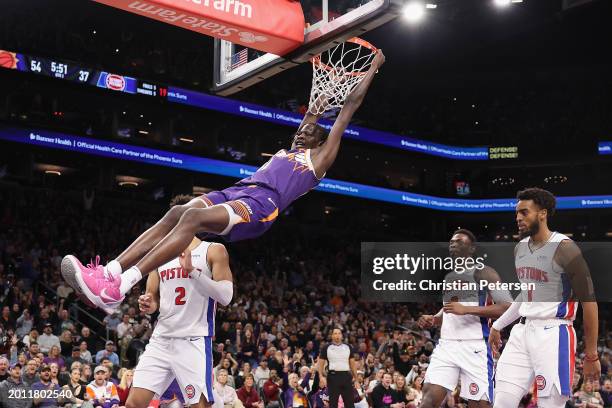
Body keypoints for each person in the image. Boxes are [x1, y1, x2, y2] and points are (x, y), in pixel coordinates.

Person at [60, 50, 386, 312]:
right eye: (301, 128)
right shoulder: (291, 149)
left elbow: (348, 107)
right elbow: (314, 110)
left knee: (190, 217)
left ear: (320, 141)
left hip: (261, 206)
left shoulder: (318, 160)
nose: (303, 130)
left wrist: (372, 66)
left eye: (310, 130)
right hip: (241, 190)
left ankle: (122, 286)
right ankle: (110, 272)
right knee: (178, 212)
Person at [489, 188, 600, 408]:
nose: (518, 218)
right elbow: (527, 294)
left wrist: (592, 354)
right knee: (501, 402)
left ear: (543, 213)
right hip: (522, 332)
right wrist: (498, 326)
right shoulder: (519, 248)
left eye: (524, 212)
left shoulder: (565, 248)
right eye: (516, 213)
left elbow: (589, 301)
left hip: (553, 334)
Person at [126, 197, 234, 408]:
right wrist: (148, 303)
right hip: (161, 339)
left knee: (200, 406)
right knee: (133, 404)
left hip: (192, 340)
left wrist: (193, 272)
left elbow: (226, 296)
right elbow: (153, 298)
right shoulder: (159, 254)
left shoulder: (213, 250)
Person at [417, 229, 512, 408]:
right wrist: (434, 319)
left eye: (459, 242)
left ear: (472, 248)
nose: (453, 244)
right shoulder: (449, 277)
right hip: (447, 345)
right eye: (451, 242)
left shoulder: (485, 273)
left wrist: (467, 310)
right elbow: (448, 310)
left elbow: (507, 306)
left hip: (475, 347)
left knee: (479, 405)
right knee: (428, 400)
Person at [318, 328, 357, 408]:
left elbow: (353, 364)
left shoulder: (348, 347)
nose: (337, 335)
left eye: (339, 333)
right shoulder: (326, 347)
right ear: (332, 336)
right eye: (335, 333)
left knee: (350, 403)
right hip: (333, 377)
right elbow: (320, 364)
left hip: (346, 376)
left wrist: (356, 378)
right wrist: (321, 376)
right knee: (333, 403)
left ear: (342, 336)